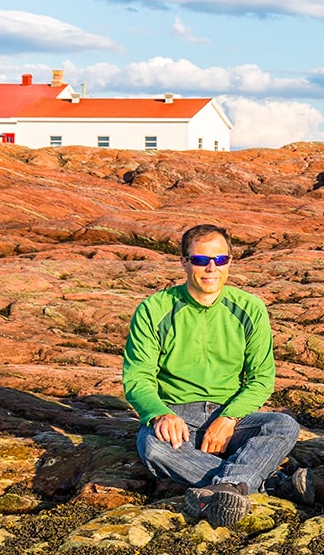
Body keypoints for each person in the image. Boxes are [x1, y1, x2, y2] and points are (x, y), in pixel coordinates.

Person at [122, 223, 309, 528]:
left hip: (232, 417)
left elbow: (262, 378)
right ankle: (266, 483)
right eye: (200, 260)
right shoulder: (153, 310)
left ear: (229, 262)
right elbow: (137, 377)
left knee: (282, 425)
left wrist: (229, 418)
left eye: (220, 259)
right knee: (153, 448)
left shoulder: (250, 308)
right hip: (178, 418)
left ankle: (228, 486)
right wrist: (159, 415)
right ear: (184, 262)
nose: (211, 268)